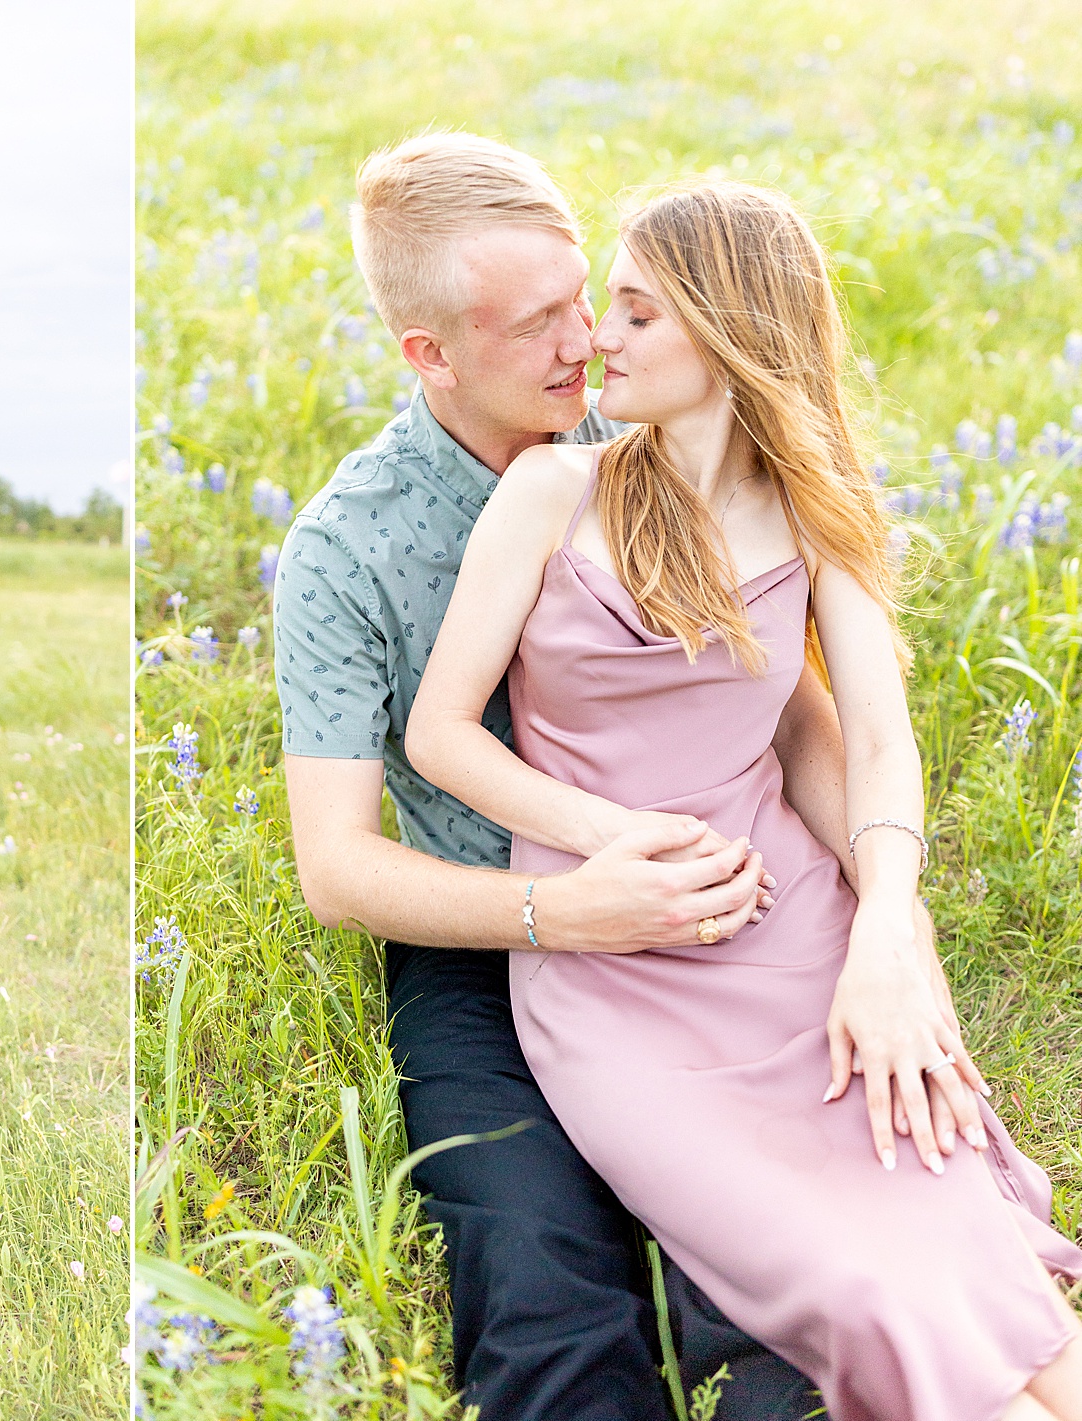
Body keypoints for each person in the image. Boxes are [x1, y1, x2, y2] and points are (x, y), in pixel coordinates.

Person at [273, 133, 953, 1417]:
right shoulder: (344, 545)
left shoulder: (650, 419)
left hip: (715, 893)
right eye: (537, 325)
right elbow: (338, 865)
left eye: (590, 296)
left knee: (799, 1269)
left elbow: (796, 711)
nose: (586, 341)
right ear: (429, 352)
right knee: (540, 1285)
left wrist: (886, 912)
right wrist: (561, 909)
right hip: (487, 927)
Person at [404, 179, 1082, 1420]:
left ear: (724, 332)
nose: (597, 336)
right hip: (617, 960)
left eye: (635, 310)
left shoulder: (815, 511)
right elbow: (440, 733)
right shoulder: (555, 493)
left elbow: (878, 743)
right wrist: (610, 841)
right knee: (857, 1282)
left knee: (996, 1286)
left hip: (797, 937)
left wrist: (888, 930)